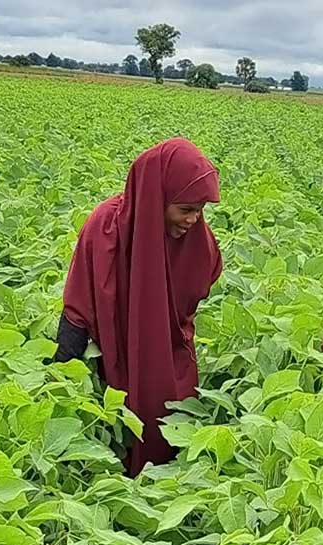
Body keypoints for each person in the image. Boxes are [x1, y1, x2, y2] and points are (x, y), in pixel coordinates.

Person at [56, 139, 222, 476]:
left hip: (169, 361)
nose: (193, 220)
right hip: (114, 364)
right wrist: (60, 379)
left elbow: (200, 280)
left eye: (200, 210)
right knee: (113, 449)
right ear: (155, 197)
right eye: (185, 209)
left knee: (173, 446)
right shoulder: (106, 229)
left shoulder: (195, 240)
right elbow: (78, 309)